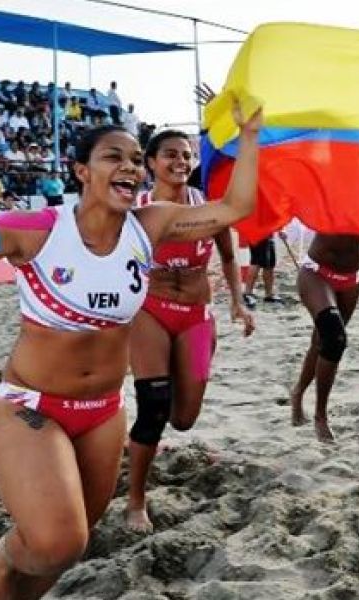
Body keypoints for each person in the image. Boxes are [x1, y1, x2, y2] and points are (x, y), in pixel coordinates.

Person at [0, 98, 260, 599]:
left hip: (103, 413)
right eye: (111, 156)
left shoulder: (152, 224)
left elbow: (235, 208)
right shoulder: (33, 230)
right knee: (56, 541)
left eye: (131, 158)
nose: (127, 165)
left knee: (64, 551)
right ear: (82, 170)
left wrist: (249, 135)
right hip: (32, 407)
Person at [124, 129, 257, 533]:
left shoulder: (210, 207)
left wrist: (238, 300)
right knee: (154, 404)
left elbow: (229, 256)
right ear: (150, 162)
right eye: (170, 154)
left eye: (187, 154)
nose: (181, 161)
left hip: (196, 313)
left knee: (183, 419)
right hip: (149, 310)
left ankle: (147, 436)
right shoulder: (135, 209)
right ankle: (135, 501)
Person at [286, 233, 359, 442]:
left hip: (350, 278)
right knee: (334, 337)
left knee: (323, 342)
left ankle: (298, 392)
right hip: (316, 272)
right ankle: (320, 416)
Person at [242, 234, 285, 308]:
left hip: (263, 234)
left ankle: (268, 293)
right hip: (261, 234)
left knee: (268, 263)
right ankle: (248, 293)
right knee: (257, 262)